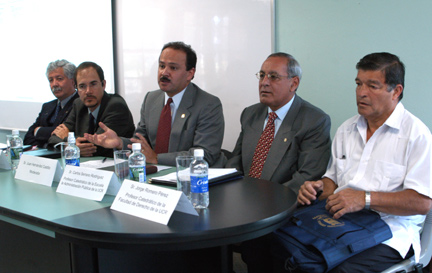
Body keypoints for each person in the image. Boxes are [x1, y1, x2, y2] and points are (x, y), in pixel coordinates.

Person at [296, 52, 432, 272]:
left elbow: (422, 203)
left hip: (390, 231)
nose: (362, 93)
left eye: (373, 86)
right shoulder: (346, 129)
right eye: (359, 84)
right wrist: (318, 187)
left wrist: (365, 199)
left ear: (396, 91)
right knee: (286, 245)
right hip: (342, 219)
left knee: (339, 269)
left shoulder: (417, 136)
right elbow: (332, 180)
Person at [85, 41, 225, 166]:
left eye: (173, 68)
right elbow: (140, 142)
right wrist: (121, 143)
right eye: (162, 66)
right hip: (155, 178)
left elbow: (205, 155)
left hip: (196, 182)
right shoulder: (151, 99)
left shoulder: (208, 105)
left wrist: (157, 158)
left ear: (189, 73)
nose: (164, 73)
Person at [226, 52, 331, 192]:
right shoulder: (250, 114)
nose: (264, 82)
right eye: (262, 75)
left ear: (294, 84)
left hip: (282, 203)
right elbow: (236, 160)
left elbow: (307, 176)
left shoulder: (314, 121)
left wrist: (264, 199)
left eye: (273, 77)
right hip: (244, 198)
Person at [48, 61, 135, 157]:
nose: (88, 91)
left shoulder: (116, 106)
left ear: (103, 84)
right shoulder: (78, 104)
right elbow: (53, 138)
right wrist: (69, 145)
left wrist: (67, 139)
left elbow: (98, 145)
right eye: (82, 86)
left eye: (93, 84)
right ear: (76, 88)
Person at [24, 59, 79, 148]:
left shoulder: (80, 104)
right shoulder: (47, 106)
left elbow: (70, 133)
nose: (54, 84)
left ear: (73, 81)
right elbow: (27, 138)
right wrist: (48, 145)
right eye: (51, 80)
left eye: (59, 79)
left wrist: (39, 131)